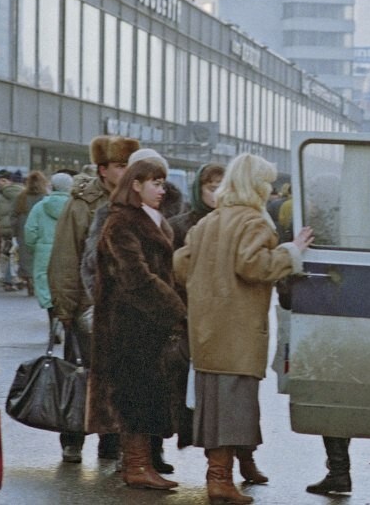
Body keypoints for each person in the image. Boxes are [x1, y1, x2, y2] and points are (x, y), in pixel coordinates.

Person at [174, 153, 313, 505]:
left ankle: (217, 475)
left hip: (207, 329)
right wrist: (291, 252)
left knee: (213, 405)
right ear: (255, 185)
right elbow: (253, 265)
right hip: (237, 331)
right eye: (265, 182)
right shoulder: (253, 222)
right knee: (235, 406)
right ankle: (220, 480)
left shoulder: (209, 221)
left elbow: (181, 264)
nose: (269, 189)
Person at [88, 158, 187, 491]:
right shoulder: (121, 222)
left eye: (162, 183)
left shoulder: (151, 220)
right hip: (127, 325)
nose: (162, 190)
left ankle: (142, 463)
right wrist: (177, 307)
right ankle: (136, 465)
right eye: (155, 183)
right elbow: (135, 276)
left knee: (145, 393)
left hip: (146, 324)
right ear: (135, 185)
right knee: (133, 394)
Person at [48, 135, 139, 463]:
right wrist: (66, 305)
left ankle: (111, 439)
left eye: (129, 164)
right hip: (88, 304)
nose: (126, 171)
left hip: (124, 306)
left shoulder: (135, 198)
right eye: (119, 165)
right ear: (103, 169)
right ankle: (73, 436)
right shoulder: (83, 203)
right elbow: (64, 256)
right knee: (80, 373)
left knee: (118, 375)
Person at [24, 173, 72, 343]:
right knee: (67, 287)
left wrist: (36, 248)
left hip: (44, 252)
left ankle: (53, 324)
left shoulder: (40, 207)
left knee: (47, 289)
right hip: (68, 251)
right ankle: (68, 326)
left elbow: (30, 232)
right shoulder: (74, 207)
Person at [168, 163, 225, 249]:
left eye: (222, 189)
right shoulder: (177, 226)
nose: (217, 194)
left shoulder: (230, 224)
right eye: (212, 189)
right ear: (199, 190)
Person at [12, 170, 50, 297]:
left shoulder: (21, 197)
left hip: (23, 231)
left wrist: (14, 231)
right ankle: (38, 283)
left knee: (26, 257)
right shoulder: (46, 197)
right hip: (42, 231)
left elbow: (13, 215)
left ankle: (29, 281)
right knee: (40, 258)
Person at [0, 169, 25, 291]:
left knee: (7, 255)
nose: (0, 183)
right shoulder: (20, 193)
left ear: (10, 181)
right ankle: (16, 279)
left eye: (3, 180)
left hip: (6, 230)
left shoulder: (0, 195)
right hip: (15, 230)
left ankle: (9, 281)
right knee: (13, 256)